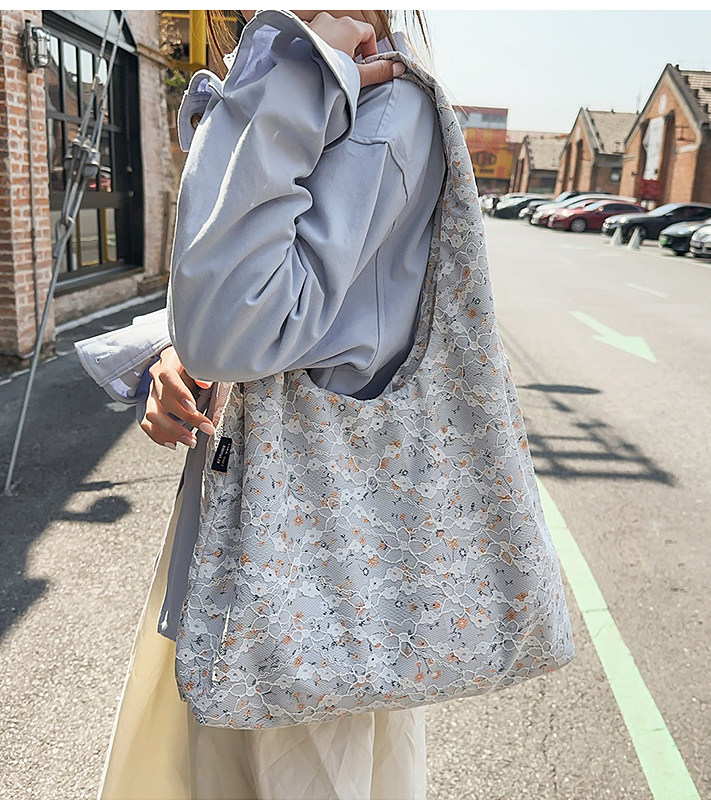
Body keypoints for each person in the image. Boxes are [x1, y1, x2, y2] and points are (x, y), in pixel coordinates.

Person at [79, 8, 445, 800]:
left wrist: (286, 80)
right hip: (255, 547)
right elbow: (258, 313)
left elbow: (232, 324)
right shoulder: (330, 86)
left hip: (312, 581)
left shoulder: (379, 107)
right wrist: (174, 351)